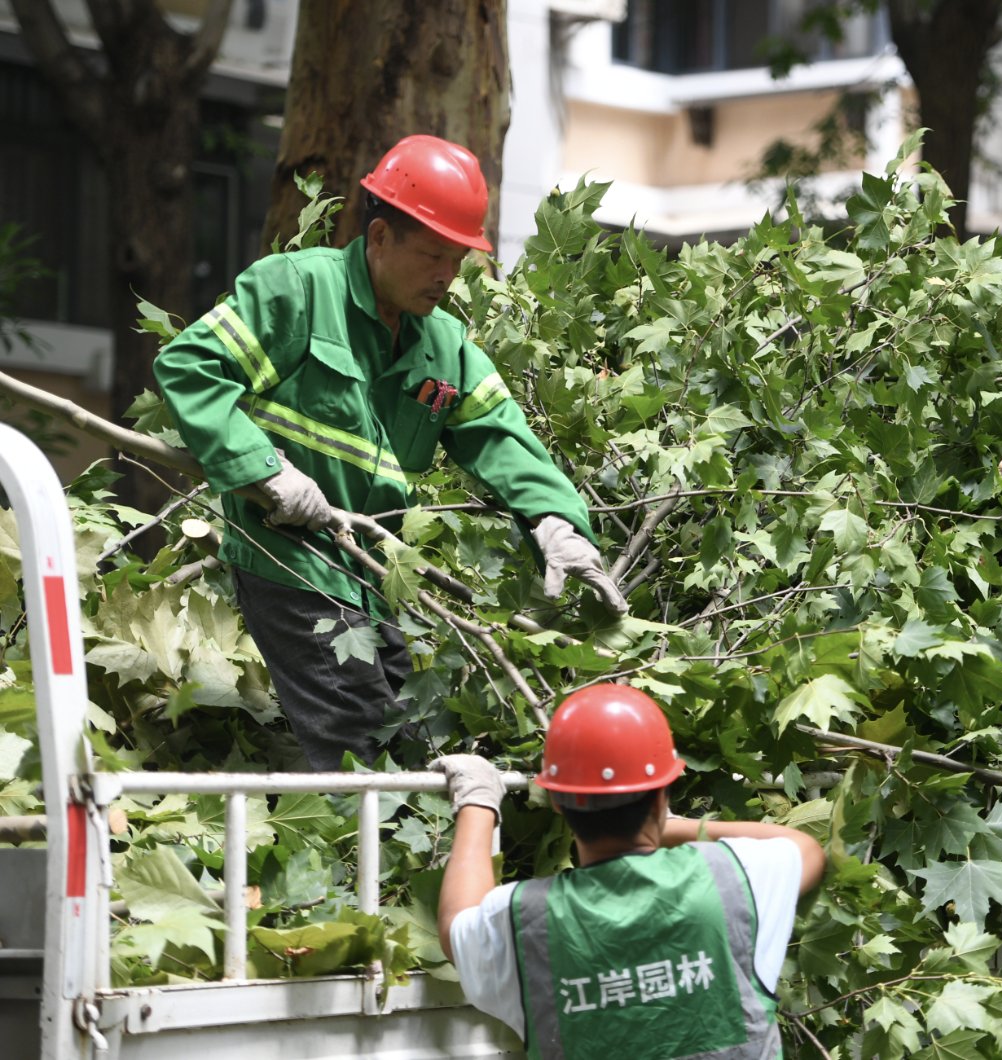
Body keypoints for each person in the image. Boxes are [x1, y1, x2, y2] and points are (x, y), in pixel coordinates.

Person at [154, 135, 626, 770]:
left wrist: (557, 522)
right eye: (433, 254)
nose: (445, 276)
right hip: (287, 557)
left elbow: (502, 437)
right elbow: (189, 367)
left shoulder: (447, 347)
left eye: (457, 260)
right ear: (379, 238)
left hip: (372, 576)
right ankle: (358, 860)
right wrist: (264, 472)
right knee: (359, 740)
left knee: (416, 732)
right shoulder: (296, 291)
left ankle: (395, 858)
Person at [434, 683, 826, 1060]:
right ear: (661, 796)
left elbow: (457, 924)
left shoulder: (522, 919)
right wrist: (671, 826)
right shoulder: (730, 877)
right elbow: (805, 848)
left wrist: (478, 802)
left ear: (555, 801)